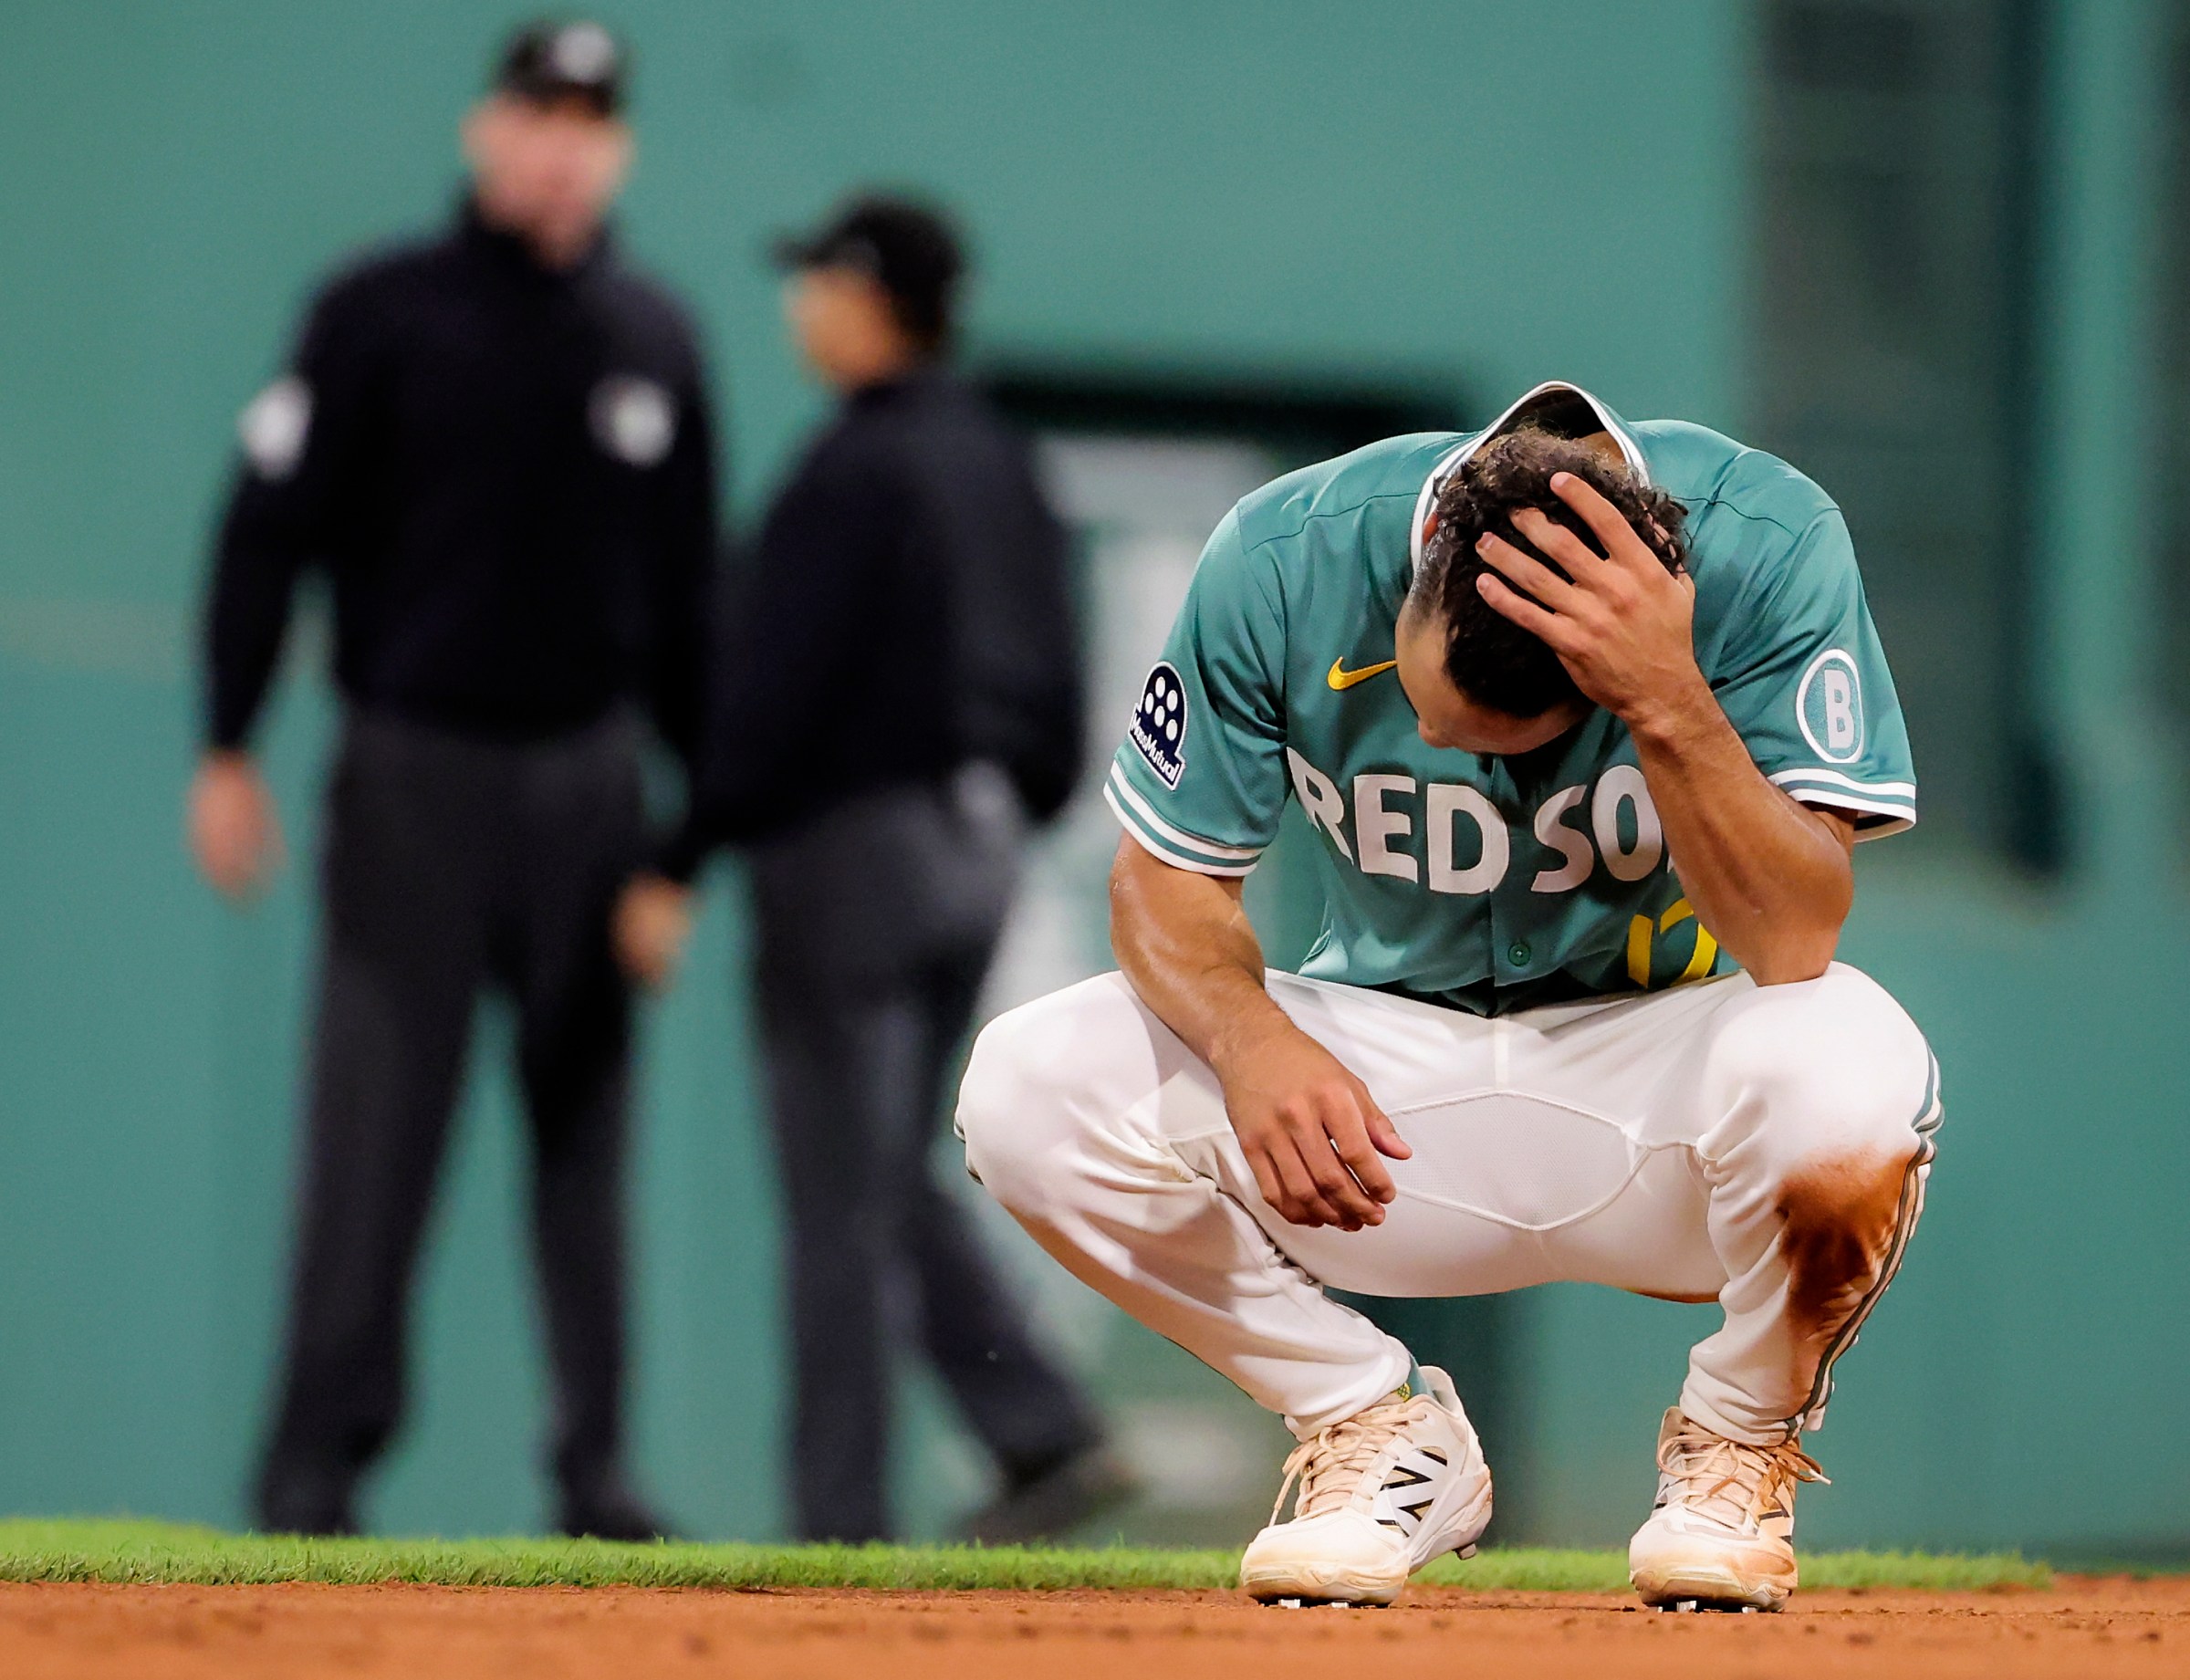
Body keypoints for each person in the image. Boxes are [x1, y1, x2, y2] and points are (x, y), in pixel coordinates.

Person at [958, 381, 1937, 1612]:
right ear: (1427, 553)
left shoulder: (1773, 540)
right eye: (1442, 708)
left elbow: (1796, 935)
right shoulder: (1288, 549)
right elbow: (1162, 884)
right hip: (1378, 1114)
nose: (1468, 756)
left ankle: (1734, 1450)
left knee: (1853, 1061)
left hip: (1666, 1112)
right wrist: (1252, 1040)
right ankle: (1375, 1428)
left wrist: (1666, 696)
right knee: (1026, 1082)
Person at [191, 19, 716, 1539]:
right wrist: (226, 745)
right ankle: (316, 1466)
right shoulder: (376, 314)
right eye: (538, 112)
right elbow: (263, 530)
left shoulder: (654, 339)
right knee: (372, 1138)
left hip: (591, 789)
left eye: (591, 121)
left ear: (618, 148)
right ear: (489, 128)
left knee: (585, 1149)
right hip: (411, 775)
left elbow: (693, 608)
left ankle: (596, 1470)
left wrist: (681, 848)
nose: (562, 144)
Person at [677, 195, 1116, 1543]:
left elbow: (771, 688)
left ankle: (839, 1524)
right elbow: (1063, 685)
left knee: (835, 1201)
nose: (801, 304)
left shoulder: (851, 467)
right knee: (880, 1172)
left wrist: (678, 847)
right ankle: (1040, 1426)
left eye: (816, 280)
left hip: (854, 854)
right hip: (981, 853)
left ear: (870, 298)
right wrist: (1009, 803)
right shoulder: (999, 457)